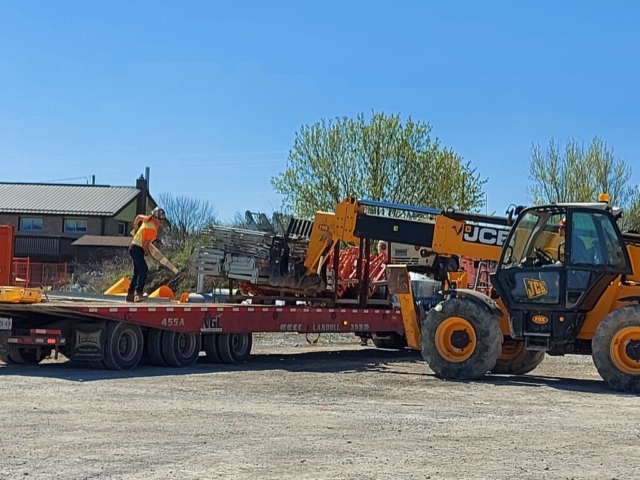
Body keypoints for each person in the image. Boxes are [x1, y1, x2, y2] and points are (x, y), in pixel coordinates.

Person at [127, 207, 166, 302]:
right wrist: (148, 253)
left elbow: (138, 218)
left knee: (137, 273)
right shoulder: (152, 230)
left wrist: (136, 228)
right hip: (137, 249)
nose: (161, 221)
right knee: (144, 270)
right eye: (160, 219)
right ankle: (138, 293)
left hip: (133, 247)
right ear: (155, 217)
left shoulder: (147, 219)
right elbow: (145, 245)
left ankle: (130, 295)